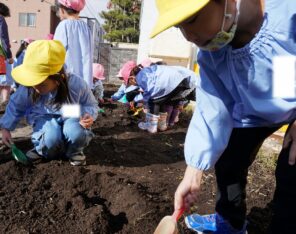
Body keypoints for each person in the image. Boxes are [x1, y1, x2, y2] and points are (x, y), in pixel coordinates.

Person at [151, 0, 296, 233]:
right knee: (229, 158)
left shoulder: (289, 14)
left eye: (191, 19)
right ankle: (230, 222)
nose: (189, 36)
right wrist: (193, 172)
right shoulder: (212, 55)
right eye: (180, 27)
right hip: (253, 113)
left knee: (291, 172)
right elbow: (213, 108)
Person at [0, 40, 98, 166]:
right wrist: (5, 128)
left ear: (58, 79)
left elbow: (90, 104)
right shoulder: (30, 88)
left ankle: (74, 152)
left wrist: (87, 114)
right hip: (43, 116)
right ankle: (43, 150)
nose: (36, 86)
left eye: (41, 83)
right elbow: (15, 105)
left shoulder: (76, 84)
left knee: (76, 132)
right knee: (51, 137)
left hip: (71, 113)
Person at [127, 64, 197, 133]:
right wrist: (137, 99)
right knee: (161, 101)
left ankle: (151, 127)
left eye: (129, 83)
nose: (131, 85)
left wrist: (144, 101)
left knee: (153, 101)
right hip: (181, 80)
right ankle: (162, 126)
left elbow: (150, 91)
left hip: (173, 82)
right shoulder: (145, 71)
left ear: (131, 78)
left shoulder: (139, 77)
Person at [54, 0, 93, 89]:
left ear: (62, 10)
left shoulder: (63, 25)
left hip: (68, 79)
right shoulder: (86, 27)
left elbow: (56, 52)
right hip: (84, 80)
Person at [0, 3, 13, 104]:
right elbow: (3, 37)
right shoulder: (0, 19)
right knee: (5, 80)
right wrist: (9, 56)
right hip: (1, 55)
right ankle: (4, 102)